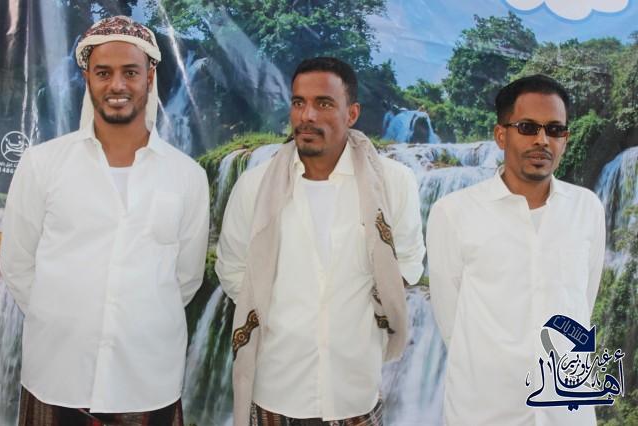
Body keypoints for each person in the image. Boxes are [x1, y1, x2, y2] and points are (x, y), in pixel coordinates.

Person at [0, 16, 209, 426]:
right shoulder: (42, 164)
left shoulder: (187, 176)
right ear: (87, 78)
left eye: (130, 72)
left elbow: (185, 278)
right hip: (57, 375)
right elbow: (18, 265)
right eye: (103, 73)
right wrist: (64, 317)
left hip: (148, 380)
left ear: (150, 76)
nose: (117, 85)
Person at [215, 57, 425, 425]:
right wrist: (278, 316)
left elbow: (406, 264)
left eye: (324, 103)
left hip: (354, 391)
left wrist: (363, 322)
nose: (307, 115)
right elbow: (232, 269)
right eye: (299, 103)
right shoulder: (255, 186)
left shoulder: (394, 183)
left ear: (352, 113)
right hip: (276, 389)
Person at [426, 74, 605, 425]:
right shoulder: (454, 213)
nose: (542, 140)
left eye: (555, 129)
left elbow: (584, 301)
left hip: (567, 412)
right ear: (501, 135)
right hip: (485, 412)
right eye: (527, 127)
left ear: (566, 138)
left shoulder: (587, 208)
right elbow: (450, 321)